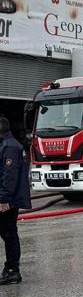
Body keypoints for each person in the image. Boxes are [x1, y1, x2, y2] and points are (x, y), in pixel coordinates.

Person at [0, 117, 30, 285]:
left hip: (8, 200)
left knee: (9, 233)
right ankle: (11, 269)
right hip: (7, 198)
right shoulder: (7, 145)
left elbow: (9, 175)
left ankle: (12, 270)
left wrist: (4, 199)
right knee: (8, 233)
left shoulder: (9, 146)